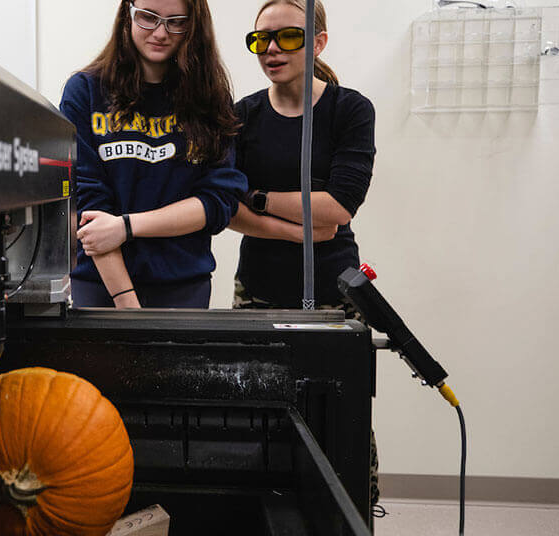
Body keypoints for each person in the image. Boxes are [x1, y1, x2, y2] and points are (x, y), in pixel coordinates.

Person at [226, 0, 379, 507]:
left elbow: (339, 207)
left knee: (342, 418)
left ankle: (355, 510)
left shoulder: (349, 110)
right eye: (260, 40)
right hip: (259, 289)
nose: (271, 49)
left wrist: (264, 198)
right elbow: (227, 210)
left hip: (334, 290)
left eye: (288, 37)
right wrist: (299, 230)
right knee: (253, 414)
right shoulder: (241, 116)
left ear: (318, 42)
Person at [60, 0, 247, 309]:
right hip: (101, 283)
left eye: (176, 21)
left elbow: (218, 201)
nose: (160, 32)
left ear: (193, 27)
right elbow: (88, 207)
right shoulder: (85, 91)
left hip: (182, 285)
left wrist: (125, 227)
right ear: (127, 16)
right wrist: (126, 302)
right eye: (148, 18)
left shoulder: (211, 99)